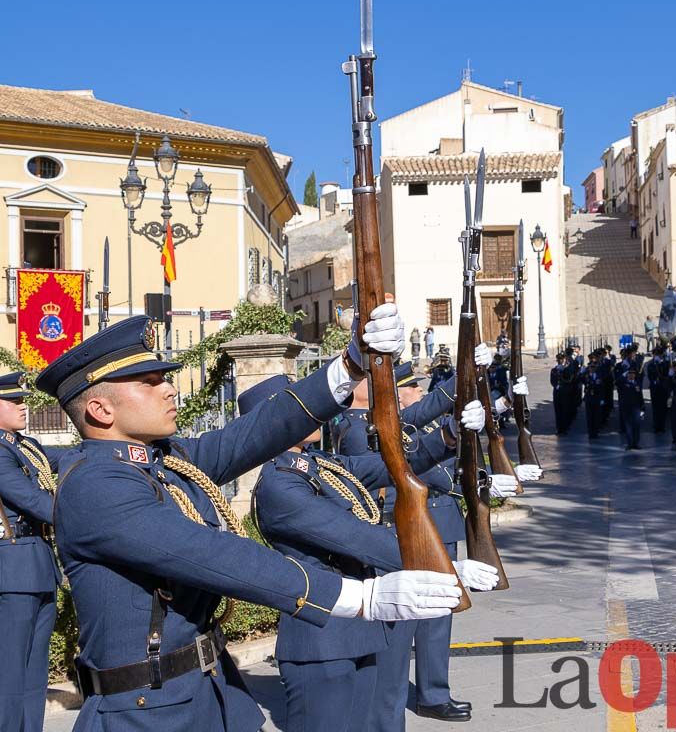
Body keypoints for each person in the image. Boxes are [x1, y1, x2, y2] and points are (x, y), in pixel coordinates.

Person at [41, 310, 463, 732]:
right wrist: (357, 597)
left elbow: (258, 430)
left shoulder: (164, 462)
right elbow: (210, 553)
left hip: (210, 693)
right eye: (150, 383)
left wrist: (350, 366)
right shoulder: (95, 486)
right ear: (99, 409)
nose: (169, 390)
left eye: (164, 378)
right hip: (144, 712)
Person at [247, 374, 501, 732]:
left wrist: (450, 435)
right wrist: (446, 566)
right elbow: (355, 537)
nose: (310, 411)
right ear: (275, 422)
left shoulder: (318, 465)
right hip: (322, 642)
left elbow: (392, 467)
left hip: (359, 632)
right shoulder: (280, 485)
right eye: (297, 406)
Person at [0, 372, 71, 732]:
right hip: (12, 569)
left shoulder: (26, 446)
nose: (23, 407)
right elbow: (35, 502)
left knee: (34, 675)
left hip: (39, 565)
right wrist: (89, 512)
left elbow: (72, 455)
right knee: (10, 676)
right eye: (13, 402)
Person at [614, 346, 645, 450]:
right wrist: (624, 374)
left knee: (636, 425)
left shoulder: (635, 366)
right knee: (628, 425)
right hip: (625, 400)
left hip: (635, 403)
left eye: (634, 354)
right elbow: (616, 382)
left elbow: (640, 390)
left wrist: (642, 407)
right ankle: (630, 443)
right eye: (632, 354)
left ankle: (636, 443)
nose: (634, 356)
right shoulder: (621, 367)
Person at [647, 345, 671, 434]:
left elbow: (666, 374)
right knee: (655, 407)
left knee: (663, 408)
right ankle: (656, 426)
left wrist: (661, 364)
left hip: (664, 387)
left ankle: (662, 426)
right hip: (655, 388)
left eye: (659, 354)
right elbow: (650, 375)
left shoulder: (666, 363)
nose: (657, 356)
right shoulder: (651, 364)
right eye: (656, 354)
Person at [550, 352, 575, 435]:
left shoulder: (567, 369)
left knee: (565, 410)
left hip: (565, 392)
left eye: (562, 359)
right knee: (558, 410)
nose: (560, 361)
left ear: (564, 359)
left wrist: (563, 370)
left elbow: (569, 380)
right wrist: (556, 385)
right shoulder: (554, 370)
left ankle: (564, 428)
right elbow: (552, 381)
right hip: (557, 392)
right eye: (559, 359)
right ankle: (559, 428)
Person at [583, 352, 606, 440]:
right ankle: (590, 432)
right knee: (589, 416)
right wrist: (583, 372)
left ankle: (595, 431)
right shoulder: (586, 376)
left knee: (596, 416)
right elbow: (581, 380)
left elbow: (602, 388)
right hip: (589, 397)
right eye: (590, 368)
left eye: (593, 368)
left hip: (597, 398)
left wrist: (602, 399)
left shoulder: (599, 376)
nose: (592, 369)